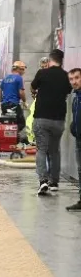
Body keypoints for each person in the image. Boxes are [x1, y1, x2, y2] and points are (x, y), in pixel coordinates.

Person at [31, 49, 73, 195]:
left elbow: (33, 86)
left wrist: (36, 92)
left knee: (41, 150)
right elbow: (68, 92)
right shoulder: (66, 76)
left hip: (41, 118)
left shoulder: (42, 73)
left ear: (50, 60)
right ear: (62, 61)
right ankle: (54, 182)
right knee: (55, 151)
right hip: (59, 120)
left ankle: (43, 181)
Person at [0, 61, 27, 132]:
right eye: (23, 69)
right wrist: (24, 101)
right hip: (13, 104)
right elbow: (21, 92)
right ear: (19, 69)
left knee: (6, 122)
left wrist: (1, 101)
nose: (24, 72)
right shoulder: (19, 78)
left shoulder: (6, 78)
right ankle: (13, 137)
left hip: (4, 105)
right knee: (21, 123)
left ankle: (6, 137)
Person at [66, 68, 81, 211]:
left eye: (77, 78)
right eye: (71, 79)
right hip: (79, 140)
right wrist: (73, 128)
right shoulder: (76, 98)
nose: (74, 82)